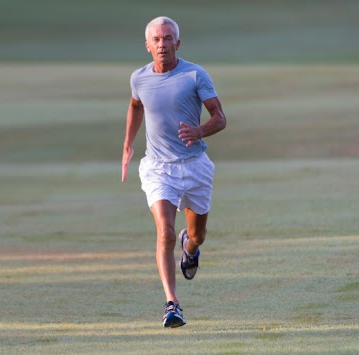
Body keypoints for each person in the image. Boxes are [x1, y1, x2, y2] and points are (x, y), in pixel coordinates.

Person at [121, 16, 227, 328]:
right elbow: (136, 105)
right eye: (157, 39)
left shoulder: (195, 75)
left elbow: (220, 117)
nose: (162, 44)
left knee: (197, 235)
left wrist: (199, 131)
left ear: (177, 43)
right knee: (164, 232)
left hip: (194, 166)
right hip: (158, 168)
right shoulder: (139, 79)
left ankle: (190, 248)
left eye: (168, 38)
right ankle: (172, 304)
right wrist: (128, 144)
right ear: (147, 46)